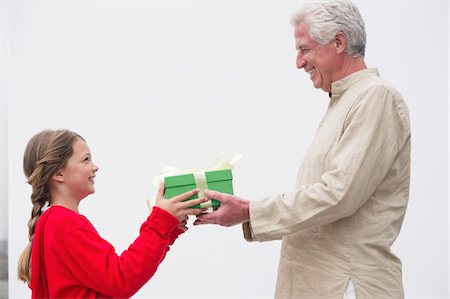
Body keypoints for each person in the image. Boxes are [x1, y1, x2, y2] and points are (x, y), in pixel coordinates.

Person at [195, 0, 411, 298]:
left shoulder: (375, 98)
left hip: (346, 286)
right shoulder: (346, 101)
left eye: (304, 49)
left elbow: (339, 195)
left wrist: (249, 211)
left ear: (338, 42)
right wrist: (247, 212)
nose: (298, 62)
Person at [17, 129, 208, 298]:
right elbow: (121, 280)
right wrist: (160, 224)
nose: (95, 166)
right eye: (86, 159)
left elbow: (111, 284)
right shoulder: (64, 223)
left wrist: (166, 231)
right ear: (58, 173)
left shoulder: (54, 222)